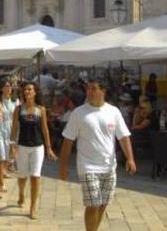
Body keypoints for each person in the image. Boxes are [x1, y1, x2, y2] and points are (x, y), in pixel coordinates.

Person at [59, 79, 136, 231]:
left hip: (109, 167)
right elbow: (67, 141)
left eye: (93, 89)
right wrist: (63, 166)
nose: (90, 92)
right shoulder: (79, 113)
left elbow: (123, 137)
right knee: (93, 204)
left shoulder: (114, 112)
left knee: (102, 204)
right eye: (88, 89)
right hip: (88, 167)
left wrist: (130, 159)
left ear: (103, 91)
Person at [9, 81, 57, 220]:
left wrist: (49, 148)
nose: (27, 92)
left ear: (35, 92)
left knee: (35, 176)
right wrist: (12, 145)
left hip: (37, 147)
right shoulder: (19, 109)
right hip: (22, 146)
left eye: (30, 89)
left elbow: (45, 129)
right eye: (26, 90)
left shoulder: (41, 109)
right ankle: (21, 193)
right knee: (23, 175)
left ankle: (33, 206)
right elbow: (14, 128)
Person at [0, 78, 17, 192]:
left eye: (10, 86)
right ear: (1, 88)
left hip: (11, 129)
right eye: (6, 86)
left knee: (9, 156)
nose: (9, 88)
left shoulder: (15, 101)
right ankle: (0, 183)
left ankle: (1, 173)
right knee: (1, 156)